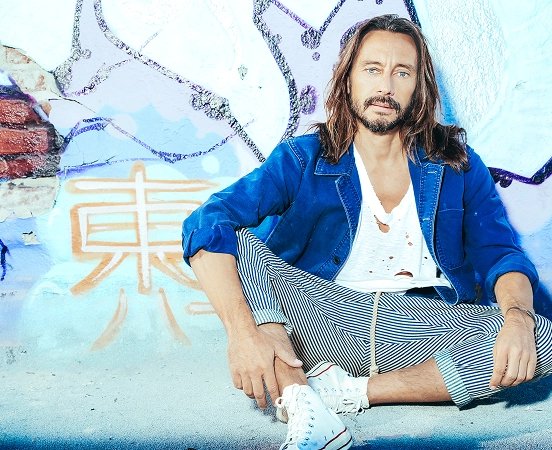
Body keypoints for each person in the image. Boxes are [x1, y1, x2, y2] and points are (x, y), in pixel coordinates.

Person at [182, 14, 552, 450]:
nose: (386, 86)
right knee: (237, 242)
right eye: (373, 69)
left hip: (417, 327)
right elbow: (205, 222)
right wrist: (245, 332)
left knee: (540, 337)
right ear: (348, 80)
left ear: (420, 88)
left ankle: (345, 393)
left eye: (402, 73)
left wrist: (517, 318)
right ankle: (302, 400)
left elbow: (501, 255)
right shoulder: (305, 157)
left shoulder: (457, 164)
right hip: (317, 319)